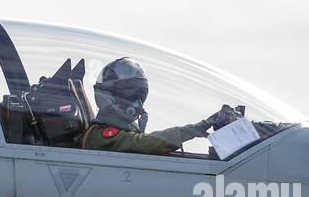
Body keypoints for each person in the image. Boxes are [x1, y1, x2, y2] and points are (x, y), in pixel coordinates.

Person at [80, 57, 238, 154]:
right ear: (108, 97)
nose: (137, 102)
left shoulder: (128, 129)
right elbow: (144, 143)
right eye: (130, 94)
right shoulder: (101, 136)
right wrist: (198, 128)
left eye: (140, 95)